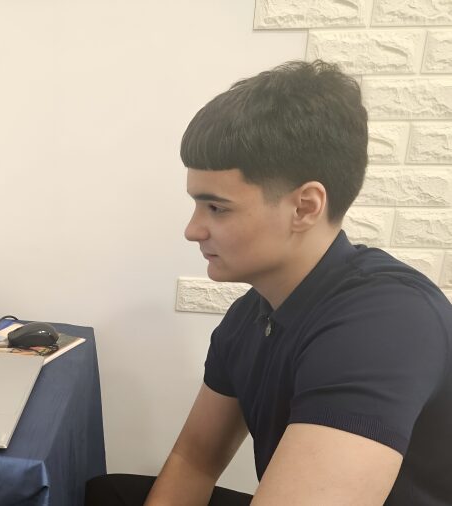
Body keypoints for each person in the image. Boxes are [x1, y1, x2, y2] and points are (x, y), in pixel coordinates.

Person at [86, 60, 452, 505]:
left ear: (304, 207)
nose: (193, 230)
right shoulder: (251, 315)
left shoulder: (386, 324)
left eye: (216, 208)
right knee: (107, 493)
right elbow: (195, 459)